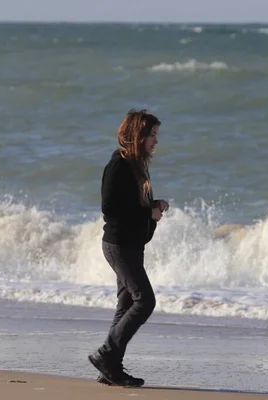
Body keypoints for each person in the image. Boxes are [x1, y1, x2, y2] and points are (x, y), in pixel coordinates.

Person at [88, 109, 169, 387]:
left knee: (126, 304)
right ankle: (106, 354)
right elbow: (110, 208)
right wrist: (147, 215)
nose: (155, 141)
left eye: (156, 135)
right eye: (152, 135)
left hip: (131, 244)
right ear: (139, 135)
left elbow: (132, 204)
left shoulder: (137, 165)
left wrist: (154, 205)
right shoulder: (119, 165)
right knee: (144, 301)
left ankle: (110, 369)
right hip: (119, 244)